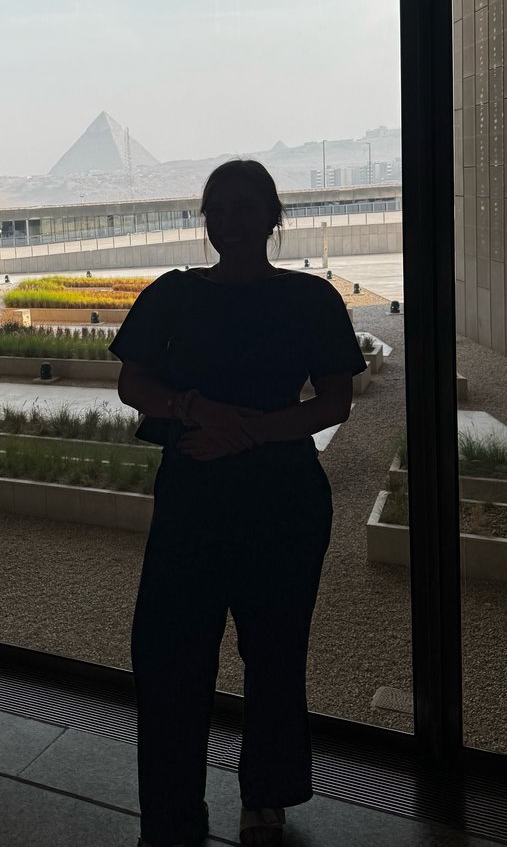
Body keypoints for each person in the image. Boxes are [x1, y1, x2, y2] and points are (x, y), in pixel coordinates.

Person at [109, 159, 365, 847]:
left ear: (274, 216)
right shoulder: (174, 293)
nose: (229, 222)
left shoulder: (311, 298)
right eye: (216, 210)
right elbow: (132, 382)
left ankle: (265, 799)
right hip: (195, 497)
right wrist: (198, 410)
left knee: (276, 655)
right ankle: (173, 811)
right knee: (168, 656)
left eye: (245, 208)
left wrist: (242, 432)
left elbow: (336, 401)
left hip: (281, 500)